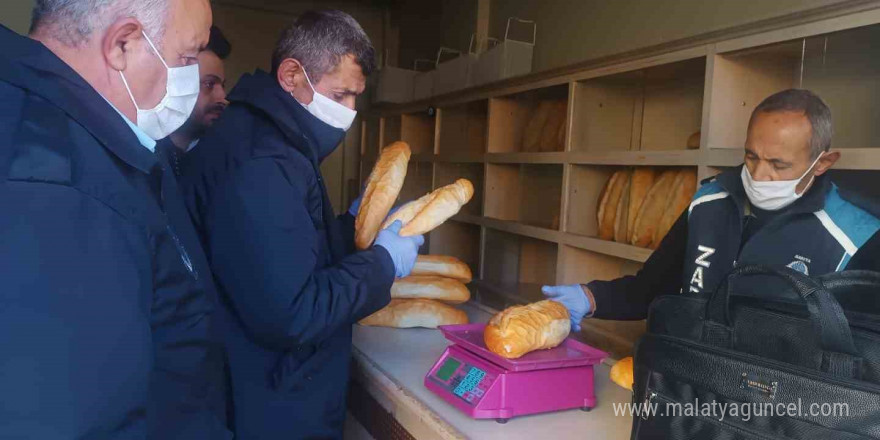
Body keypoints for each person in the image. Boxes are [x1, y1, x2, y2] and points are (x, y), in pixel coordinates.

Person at [178, 10, 424, 439]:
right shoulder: (262, 160)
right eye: (342, 95)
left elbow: (287, 252)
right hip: (268, 407)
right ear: (292, 75)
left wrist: (348, 228)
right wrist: (383, 264)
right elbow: (293, 313)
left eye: (356, 99)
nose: (350, 113)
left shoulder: (272, 140)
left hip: (268, 393)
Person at [0, 1, 230, 438]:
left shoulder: (85, 141)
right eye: (186, 57)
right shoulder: (55, 184)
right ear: (122, 45)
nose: (190, 76)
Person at [543, 89, 880, 327]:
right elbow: (652, 288)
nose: (760, 175)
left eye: (778, 164)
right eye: (751, 157)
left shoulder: (856, 235)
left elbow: (862, 349)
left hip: (778, 412)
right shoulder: (710, 201)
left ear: (821, 164)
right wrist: (591, 297)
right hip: (690, 384)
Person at [159, 25, 231, 176]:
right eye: (209, 84)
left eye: (222, 85)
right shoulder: (145, 152)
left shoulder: (219, 160)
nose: (223, 98)